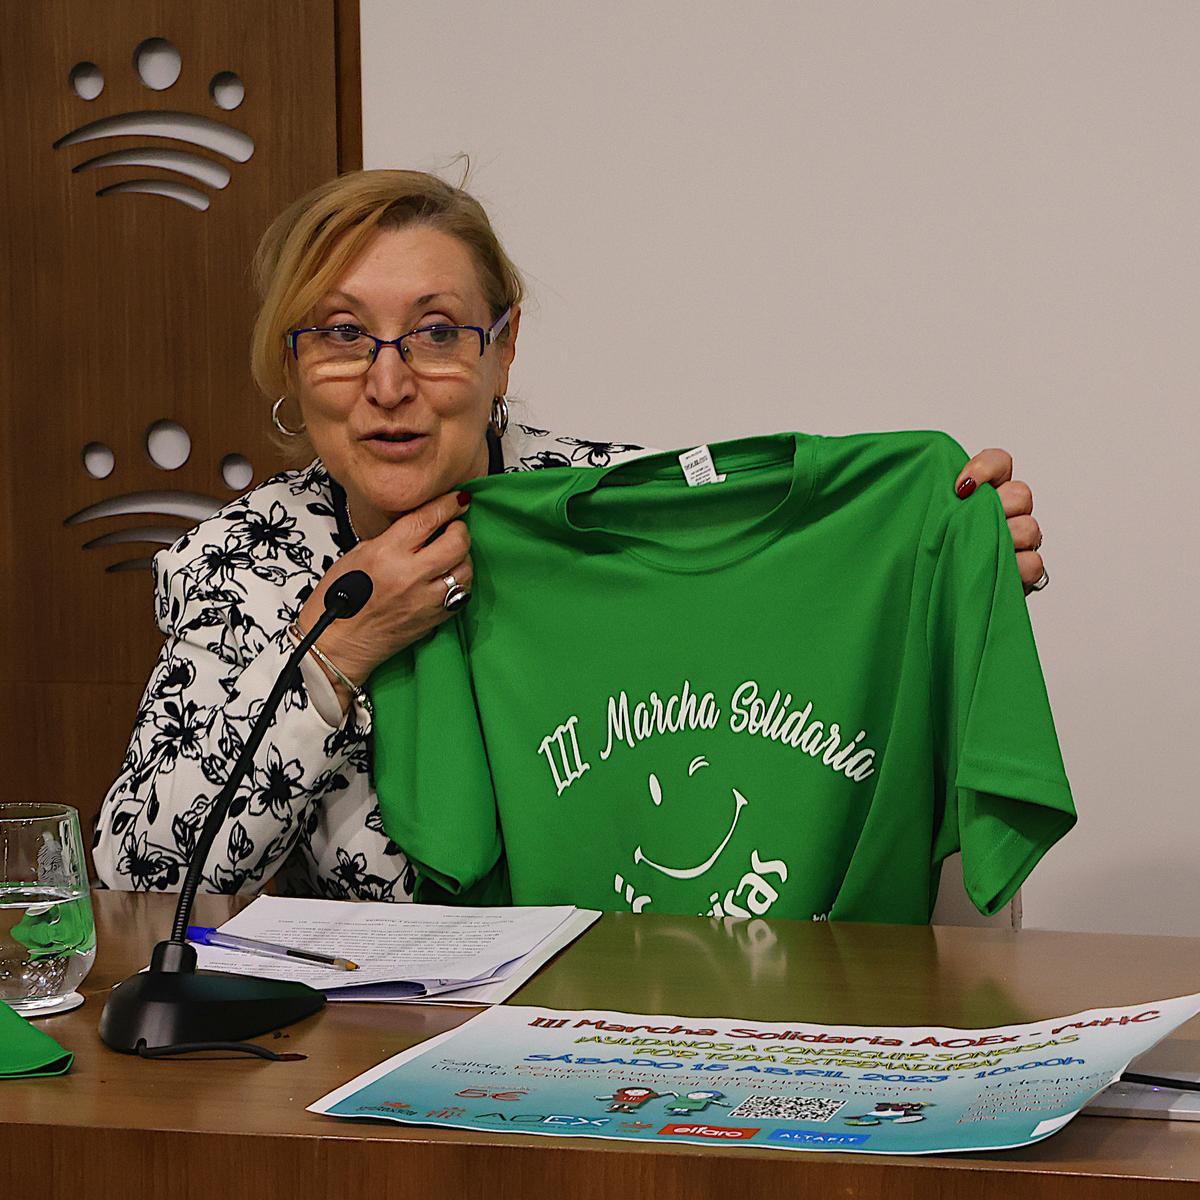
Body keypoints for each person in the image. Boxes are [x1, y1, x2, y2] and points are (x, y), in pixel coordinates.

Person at [92, 169, 1049, 900]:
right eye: (343, 335)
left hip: (626, 1007)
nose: (390, 385)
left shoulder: (609, 503)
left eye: (436, 333)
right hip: (365, 1058)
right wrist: (337, 651)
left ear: (503, 348)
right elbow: (140, 876)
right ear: (294, 365)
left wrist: (936, 560)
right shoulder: (243, 564)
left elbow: (772, 623)